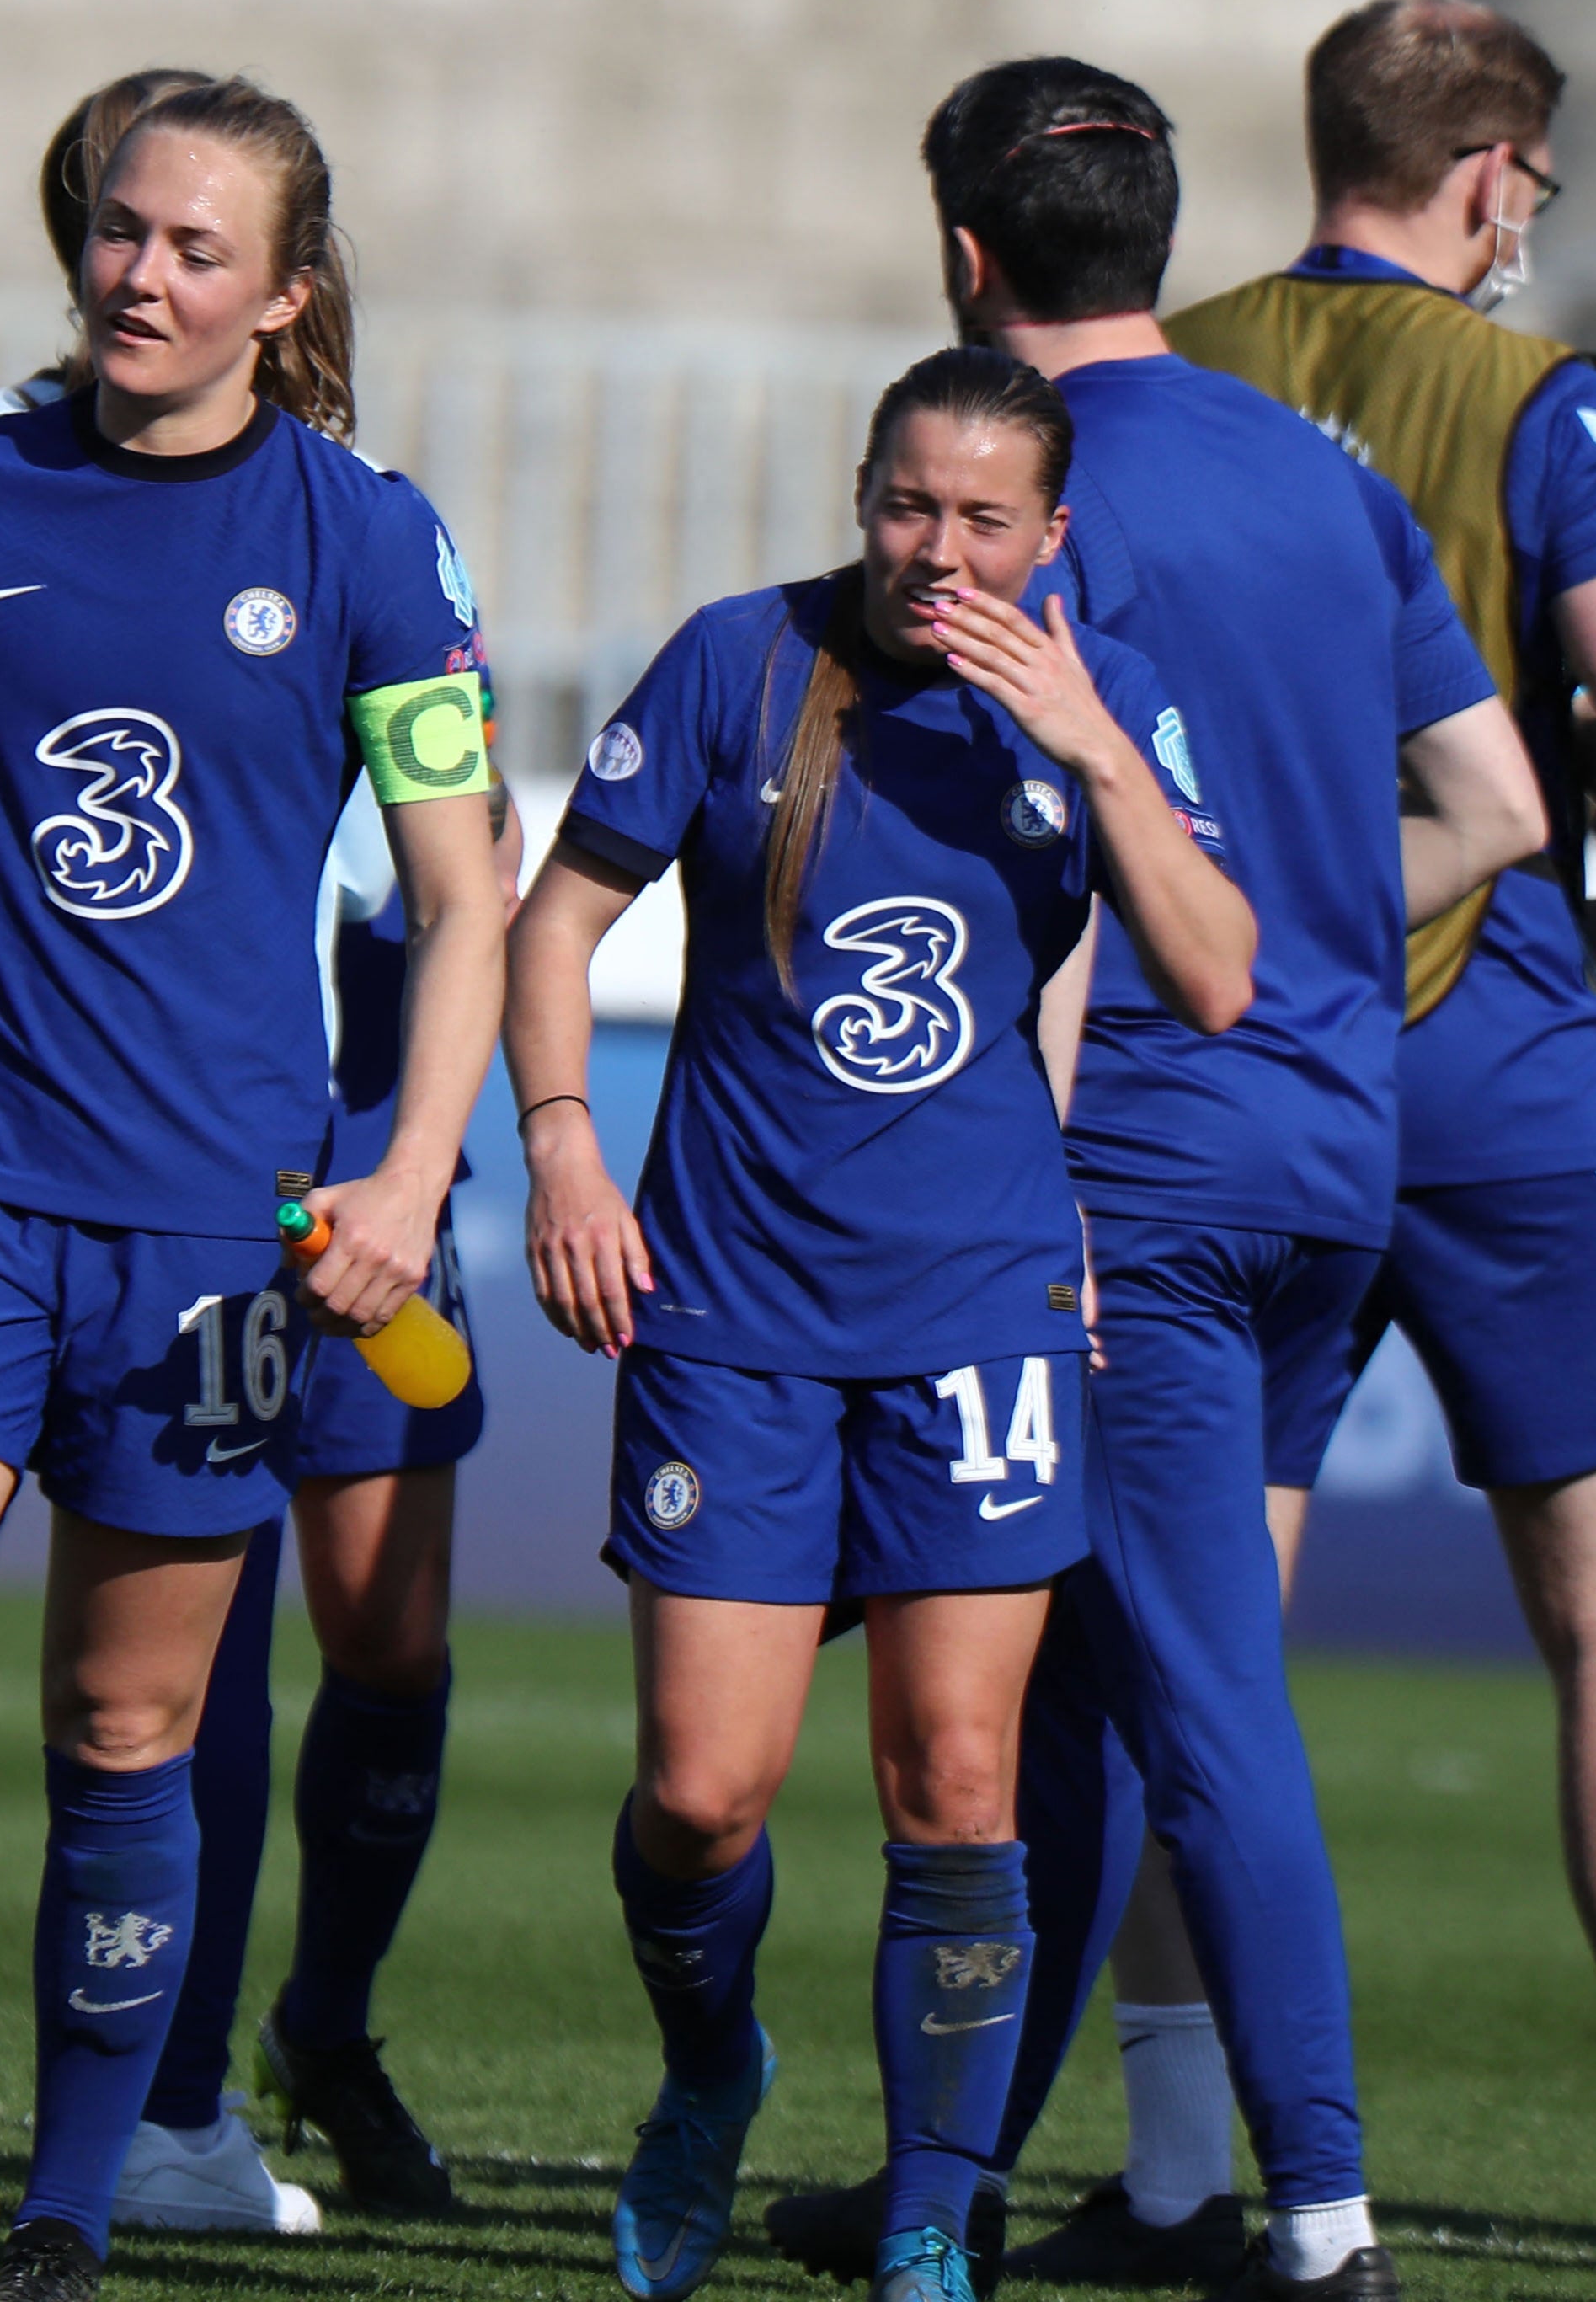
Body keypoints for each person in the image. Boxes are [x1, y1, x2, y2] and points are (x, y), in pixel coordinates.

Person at [0, 73, 510, 2302]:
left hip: (210, 1238)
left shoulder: (364, 538)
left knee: (130, 1727)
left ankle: (67, 2207)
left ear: (283, 297)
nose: (140, 275)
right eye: (121, 233)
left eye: (195, 251)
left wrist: (412, 1171)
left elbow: (463, 886)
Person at [767, 59, 1540, 2302]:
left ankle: (1321, 2220)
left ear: (960, 250)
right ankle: (966, 2183)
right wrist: (1294, 915)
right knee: (1102, 1673)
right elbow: (1489, 813)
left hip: (1138, 1165)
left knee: (1186, 1691)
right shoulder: (1318, 473)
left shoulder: (1029, 496)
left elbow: (1044, 858)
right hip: (1328, 1142)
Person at [510, 345, 1257, 2302]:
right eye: (905, 505)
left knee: (956, 1778)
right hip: (731, 1308)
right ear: (863, 491)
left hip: (980, 1317)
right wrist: (568, 1148)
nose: (936, 550)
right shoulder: (733, 662)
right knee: (700, 1794)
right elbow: (554, 921)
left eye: (982, 520)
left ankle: (933, 2202)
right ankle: (707, 2072)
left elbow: (1219, 971)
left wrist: (1094, 745)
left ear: (1050, 535)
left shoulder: (1100, 705)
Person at [1162, 0, 1596, 2302]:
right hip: (1499, 1067)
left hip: (1223, 1063)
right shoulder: (1542, 407)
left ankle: (1156, 2177)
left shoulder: (1167, 362)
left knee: (1201, 1637)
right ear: (1491, 178)